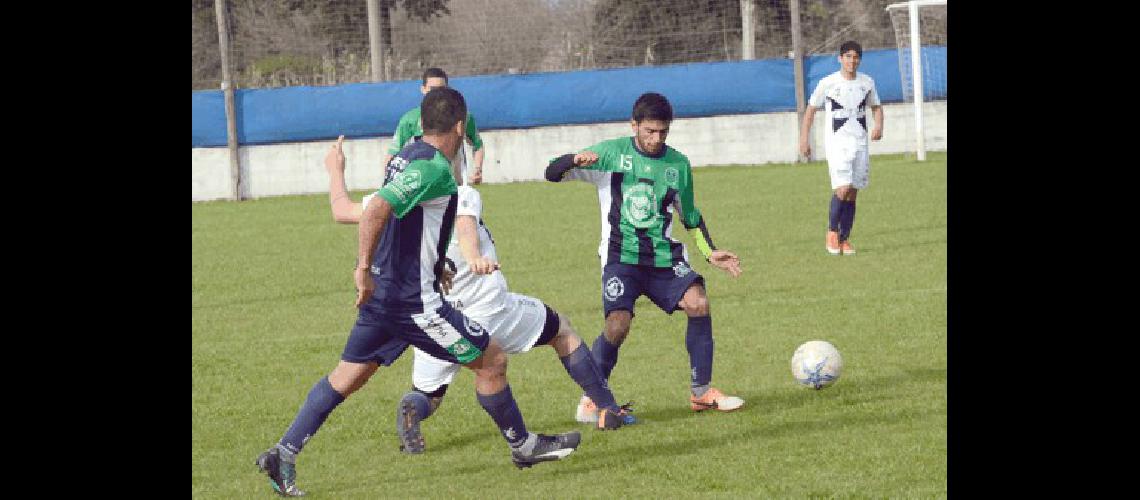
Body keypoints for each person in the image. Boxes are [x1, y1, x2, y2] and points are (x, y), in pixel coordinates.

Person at [255, 88, 579, 497]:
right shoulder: (435, 169)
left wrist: (434, 265)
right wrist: (362, 269)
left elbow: (403, 221)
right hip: (414, 303)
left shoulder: (405, 158)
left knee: (346, 377)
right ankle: (523, 446)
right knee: (492, 360)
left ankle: (282, 453)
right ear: (460, 126)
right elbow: (377, 211)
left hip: (386, 299)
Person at [322, 134, 635, 454]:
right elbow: (465, 224)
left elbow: (343, 210)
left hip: (433, 315)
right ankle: (605, 408)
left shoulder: (396, 196)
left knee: (429, 393)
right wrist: (473, 257)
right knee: (561, 331)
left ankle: (414, 408)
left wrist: (335, 171)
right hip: (486, 309)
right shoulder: (459, 192)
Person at [543, 92, 745, 423]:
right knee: (618, 323)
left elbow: (690, 215)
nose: (656, 138)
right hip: (621, 257)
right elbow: (552, 174)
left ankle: (701, 392)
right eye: (650, 131)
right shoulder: (610, 154)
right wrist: (572, 160)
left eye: (663, 132)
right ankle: (593, 399)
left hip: (662, 257)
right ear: (634, 125)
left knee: (698, 303)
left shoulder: (677, 165)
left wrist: (710, 253)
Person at [799, 40, 884, 256]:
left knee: (853, 191)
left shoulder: (867, 82)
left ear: (859, 60)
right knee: (843, 187)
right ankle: (831, 233)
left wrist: (878, 126)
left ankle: (845, 239)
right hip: (837, 144)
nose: (852, 61)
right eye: (848, 56)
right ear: (840, 58)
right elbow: (810, 110)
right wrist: (804, 139)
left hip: (860, 143)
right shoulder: (828, 83)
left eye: (855, 57)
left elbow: (876, 107)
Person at [379, 67, 487, 185]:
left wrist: (477, 169)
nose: (437, 94)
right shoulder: (410, 119)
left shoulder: (462, 116)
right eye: (432, 89)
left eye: (441, 89)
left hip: (456, 187)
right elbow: (393, 153)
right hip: (423, 187)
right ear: (423, 89)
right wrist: (387, 184)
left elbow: (477, 145)